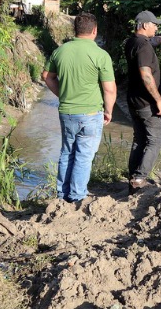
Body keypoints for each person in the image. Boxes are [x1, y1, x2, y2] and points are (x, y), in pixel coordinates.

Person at [42, 13, 116, 203]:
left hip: (67, 111)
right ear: (94, 30)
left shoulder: (60, 51)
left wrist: (63, 94)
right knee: (83, 155)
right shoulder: (101, 55)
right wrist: (108, 111)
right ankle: (77, 197)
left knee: (67, 152)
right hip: (91, 113)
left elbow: (46, 76)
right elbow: (109, 88)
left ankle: (62, 195)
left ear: (75, 30)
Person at [125, 11, 161, 194]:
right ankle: (140, 178)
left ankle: (133, 177)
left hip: (133, 99)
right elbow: (145, 74)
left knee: (139, 140)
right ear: (144, 25)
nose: (156, 27)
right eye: (154, 24)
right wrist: (158, 100)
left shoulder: (132, 42)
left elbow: (155, 40)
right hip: (146, 102)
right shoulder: (144, 47)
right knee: (154, 141)